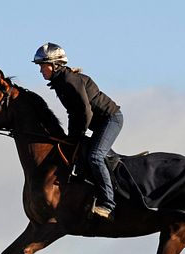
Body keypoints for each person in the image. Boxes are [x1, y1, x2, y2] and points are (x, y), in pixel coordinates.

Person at [33, 42, 123, 219]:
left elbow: (85, 111)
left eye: (43, 66)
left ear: (55, 65)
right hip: (99, 124)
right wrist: (71, 137)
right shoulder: (60, 83)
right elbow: (73, 113)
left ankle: (108, 204)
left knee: (95, 157)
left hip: (111, 119)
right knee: (85, 153)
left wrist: (78, 135)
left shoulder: (68, 81)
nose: (41, 70)